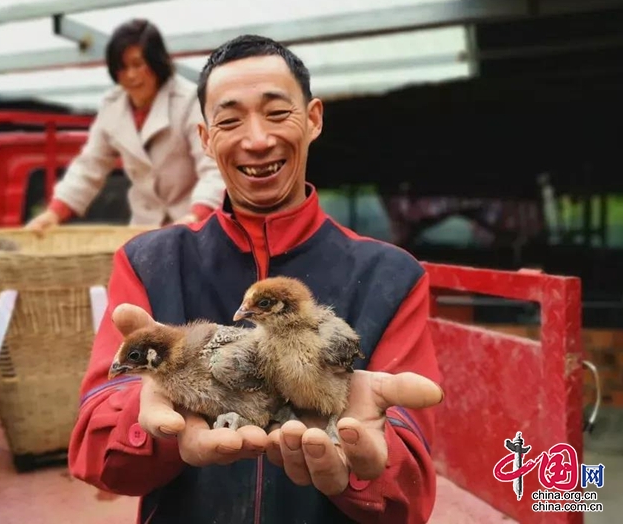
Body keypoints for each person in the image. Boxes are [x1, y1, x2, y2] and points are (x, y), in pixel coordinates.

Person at [68, 35, 444, 524]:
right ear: (204, 139)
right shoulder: (151, 261)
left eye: (276, 112)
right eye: (229, 120)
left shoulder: (390, 276)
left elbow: (408, 493)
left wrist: (370, 465)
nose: (257, 139)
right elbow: (95, 450)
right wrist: (155, 419)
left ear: (313, 119)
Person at [26, 18, 226, 231]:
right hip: (143, 229)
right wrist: (54, 213)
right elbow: (90, 165)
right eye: (122, 67)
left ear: (156, 62)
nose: (130, 75)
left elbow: (214, 167)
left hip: (197, 226)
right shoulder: (112, 107)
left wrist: (196, 215)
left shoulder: (189, 101)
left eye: (138, 64)